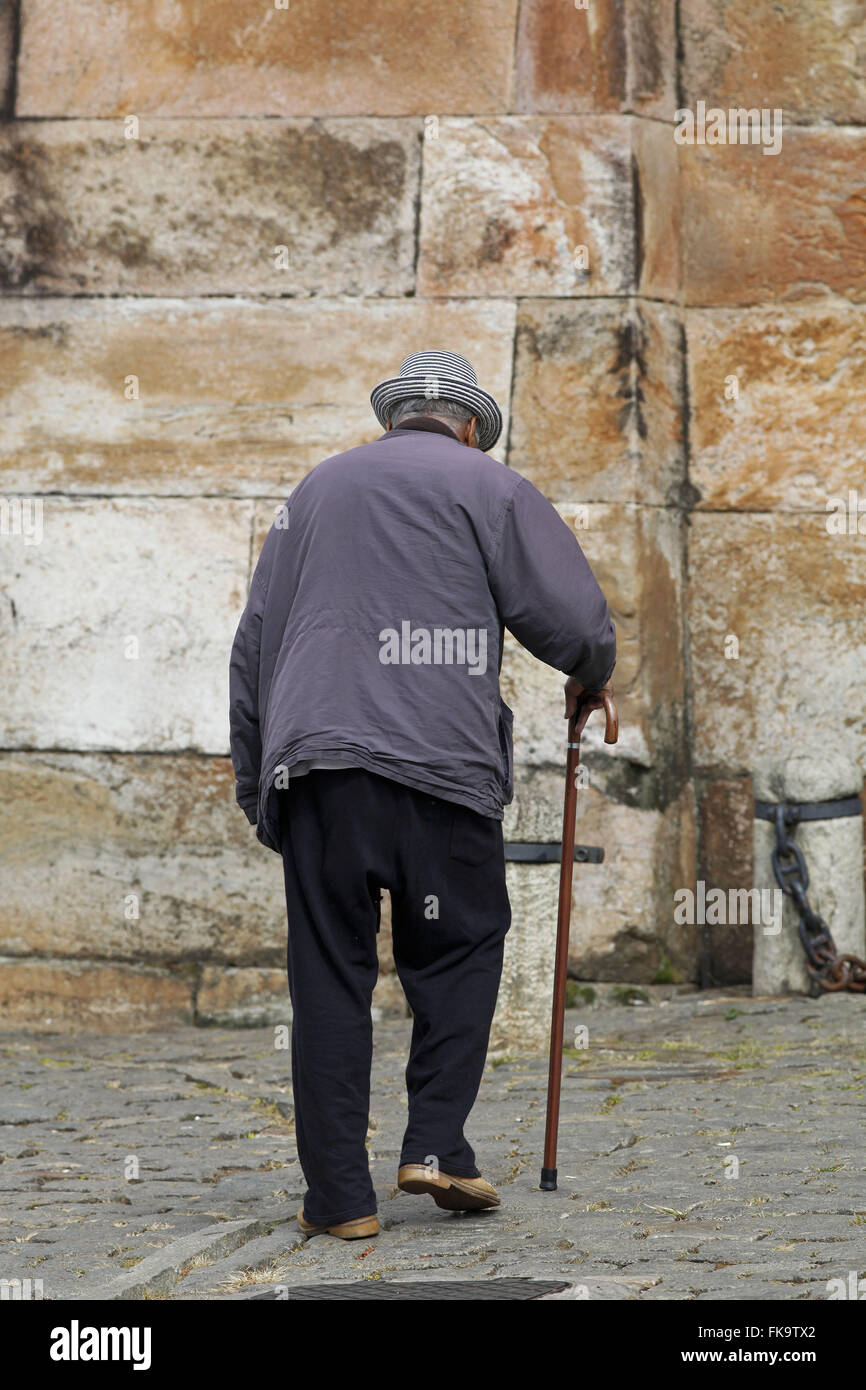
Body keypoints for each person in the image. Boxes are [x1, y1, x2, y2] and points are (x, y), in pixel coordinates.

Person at [229, 350, 616, 1239]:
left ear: (392, 420)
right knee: (460, 951)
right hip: (442, 767)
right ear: (471, 425)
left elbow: (253, 646)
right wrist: (590, 675)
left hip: (321, 769)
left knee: (329, 977)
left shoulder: (315, 493)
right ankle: (435, 1147)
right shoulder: (489, 485)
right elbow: (576, 622)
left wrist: (262, 789)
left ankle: (339, 1201)